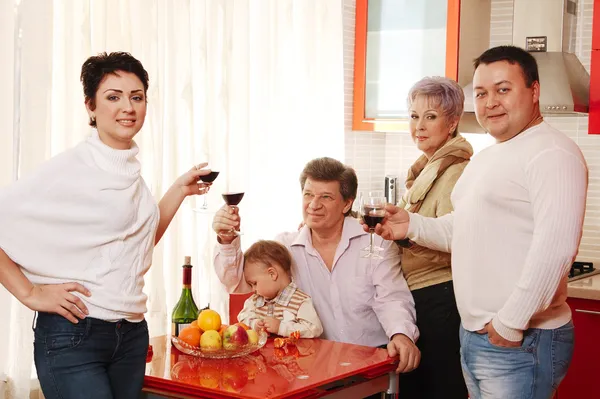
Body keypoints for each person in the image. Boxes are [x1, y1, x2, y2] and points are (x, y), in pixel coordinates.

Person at [366, 45, 588, 399]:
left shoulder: (552, 152)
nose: (490, 102)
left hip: (520, 340)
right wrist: (410, 225)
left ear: (534, 91)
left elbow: (556, 248)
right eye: (482, 93)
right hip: (478, 336)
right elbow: (464, 228)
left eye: (503, 89)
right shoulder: (489, 156)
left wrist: (511, 323)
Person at [0, 52, 212, 399]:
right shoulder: (72, 168)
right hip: (75, 336)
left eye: (137, 97)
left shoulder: (131, 173)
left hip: (130, 335)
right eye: (113, 96)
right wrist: (29, 292)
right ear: (91, 107)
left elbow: (136, 244)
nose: (127, 107)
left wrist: (179, 190)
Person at [213, 157, 421, 374]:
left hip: (371, 360)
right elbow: (237, 284)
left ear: (347, 204)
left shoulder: (375, 242)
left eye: (326, 197)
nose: (314, 205)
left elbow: (391, 298)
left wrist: (401, 335)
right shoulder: (285, 247)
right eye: (308, 195)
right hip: (314, 365)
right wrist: (226, 240)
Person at [394, 76, 472, 399]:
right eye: (414, 116)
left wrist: (405, 237)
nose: (419, 126)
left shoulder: (456, 172)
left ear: (452, 122)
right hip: (420, 299)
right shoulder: (427, 169)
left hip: (441, 300)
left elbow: (459, 245)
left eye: (431, 116)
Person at [237, 240, 323, 338]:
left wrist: (281, 328)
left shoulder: (300, 301)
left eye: (254, 283)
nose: (253, 289)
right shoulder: (255, 301)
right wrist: (254, 323)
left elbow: (314, 329)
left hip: (292, 352)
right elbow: (242, 317)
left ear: (272, 274)